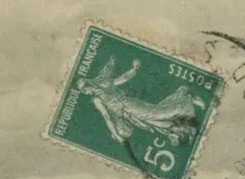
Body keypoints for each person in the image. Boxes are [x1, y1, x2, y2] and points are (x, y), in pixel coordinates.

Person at [77, 57, 206, 146]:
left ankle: (187, 101)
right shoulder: (103, 84)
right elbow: (122, 79)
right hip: (129, 112)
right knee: (153, 122)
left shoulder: (97, 98)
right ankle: (183, 130)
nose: (86, 93)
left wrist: (116, 135)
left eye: (85, 91)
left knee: (157, 114)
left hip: (129, 106)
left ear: (88, 87)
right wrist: (133, 69)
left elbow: (107, 117)